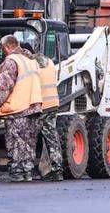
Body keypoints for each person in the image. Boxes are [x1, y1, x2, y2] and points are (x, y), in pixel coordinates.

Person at [0, 34, 43, 182]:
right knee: (28, 140)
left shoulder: (11, 61)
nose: (3, 52)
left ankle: (16, 172)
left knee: (16, 140)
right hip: (33, 106)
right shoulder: (30, 60)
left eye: (2, 49)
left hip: (18, 108)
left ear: (7, 47)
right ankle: (27, 172)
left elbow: (4, 87)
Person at [33, 53, 64, 181]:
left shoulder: (33, 65)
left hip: (41, 106)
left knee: (29, 137)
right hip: (53, 104)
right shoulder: (50, 62)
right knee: (51, 137)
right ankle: (57, 170)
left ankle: (28, 168)